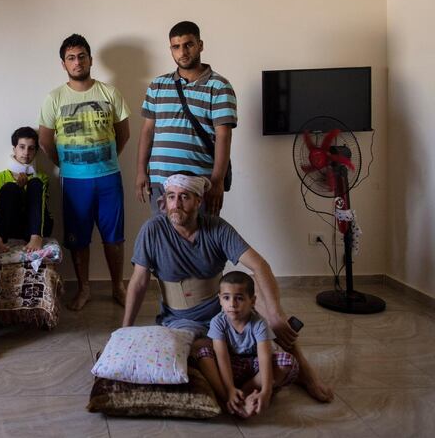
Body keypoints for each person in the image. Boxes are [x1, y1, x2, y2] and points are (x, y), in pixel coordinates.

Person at [122, 174, 334, 418]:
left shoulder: (216, 228)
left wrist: (275, 314)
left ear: (198, 201)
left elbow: (260, 266)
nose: (176, 204)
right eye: (171, 197)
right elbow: (139, 282)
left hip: (221, 311)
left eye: (184, 197)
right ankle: (234, 394)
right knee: (197, 351)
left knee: (265, 302)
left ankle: (304, 376)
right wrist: (124, 330)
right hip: (181, 320)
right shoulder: (153, 230)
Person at [39, 33, 131, 311]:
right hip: (74, 183)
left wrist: (104, 160)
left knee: (114, 238)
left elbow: (123, 135)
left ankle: (118, 287)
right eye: (71, 58)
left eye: (81, 56)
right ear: (63, 64)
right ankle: (84, 289)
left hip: (108, 178)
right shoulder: (54, 98)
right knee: (78, 240)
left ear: (90, 59)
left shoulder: (109, 93)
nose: (77, 62)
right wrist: (67, 165)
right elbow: (45, 141)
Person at [135, 21, 236, 216]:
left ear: (200, 45)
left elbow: (224, 136)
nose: (182, 52)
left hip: (199, 184)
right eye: (176, 47)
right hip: (161, 182)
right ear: (170, 49)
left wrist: (217, 182)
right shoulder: (157, 85)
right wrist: (141, 171)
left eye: (188, 44)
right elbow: (147, 131)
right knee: (164, 243)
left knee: (200, 243)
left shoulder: (219, 86)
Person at [208, 271, 299, 416]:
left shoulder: (259, 323)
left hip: (255, 370)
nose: (232, 304)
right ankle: (229, 396)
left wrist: (266, 391)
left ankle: (246, 392)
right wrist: (230, 388)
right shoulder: (218, 322)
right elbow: (222, 357)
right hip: (232, 368)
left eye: (239, 298)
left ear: (252, 301)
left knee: (287, 361)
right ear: (220, 299)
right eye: (226, 298)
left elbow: (264, 357)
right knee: (203, 354)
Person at [0, 126, 53, 254]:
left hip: (36, 226)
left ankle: (36, 237)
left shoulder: (42, 177)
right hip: (12, 225)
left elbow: (41, 207)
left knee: (36, 183)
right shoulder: (1, 176)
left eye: (31, 148)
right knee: (9, 187)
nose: (26, 152)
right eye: (22, 147)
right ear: (14, 149)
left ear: (36, 151)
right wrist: (17, 187)